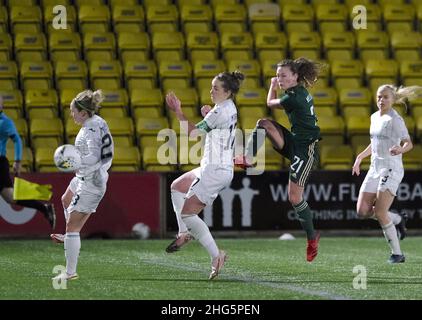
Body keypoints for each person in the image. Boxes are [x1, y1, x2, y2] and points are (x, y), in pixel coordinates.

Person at [234, 58, 322, 262]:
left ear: (295, 76)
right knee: (263, 123)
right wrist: (276, 85)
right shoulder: (295, 92)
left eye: (283, 75)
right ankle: (247, 157)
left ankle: (312, 238)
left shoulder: (295, 97)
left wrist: (272, 87)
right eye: (277, 75)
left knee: (294, 197)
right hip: (295, 141)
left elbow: (269, 103)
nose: (279, 78)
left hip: (306, 149)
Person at [165, 71, 244, 280]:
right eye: (211, 87)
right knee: (177, 187)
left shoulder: (220, 111)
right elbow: (216, 128)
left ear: (227, 92)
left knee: (188, 214)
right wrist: (208, 115)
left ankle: (217, 256)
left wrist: (178, 111)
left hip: (215, 171)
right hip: (214, 166)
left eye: (215, 88)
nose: (211, 91)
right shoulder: (227, 108)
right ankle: (184, 233)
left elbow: (193, 133)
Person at [352, 84, 419, 264]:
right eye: (379, 97)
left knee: (381, 212)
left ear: (393, 99)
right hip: (375, 167)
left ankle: (397, 254)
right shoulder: (374, 117)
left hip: (391, 167)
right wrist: (360, 157)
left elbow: (409, 143)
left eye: (385, 97)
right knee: (362, 211)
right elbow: (374, 142)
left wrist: (400, 149)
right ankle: (397, 218)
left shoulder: (395, 119)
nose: (381, 100)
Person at [51, 89, 114, 281]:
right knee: (65, 199)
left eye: (74, 111)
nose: (72, 115)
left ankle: (70, 272)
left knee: (73, 228)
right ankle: (70, 235)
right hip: (86, 175)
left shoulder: (90, 128)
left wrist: (73, 161)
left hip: (92, 180)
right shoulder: (97, 122)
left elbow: (94, 156)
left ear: (84, 112)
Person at [0, 95, 56, 228]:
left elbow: (17, 140)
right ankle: (44, 208)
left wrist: (18, 161)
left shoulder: (5, 122)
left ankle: (43, 202)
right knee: (10, 198)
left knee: (10, 197)